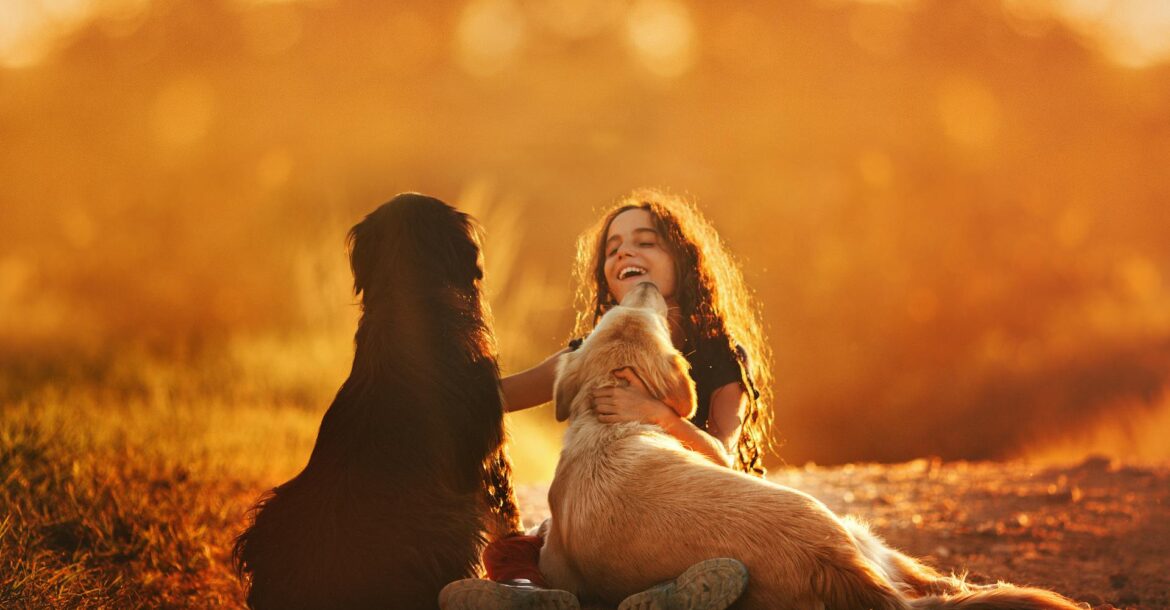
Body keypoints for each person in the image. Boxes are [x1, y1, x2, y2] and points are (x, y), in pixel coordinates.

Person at [440, 189, 773, 610]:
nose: (623, 252)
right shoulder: (590, 353)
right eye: (612, 248)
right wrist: (424, 367)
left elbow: (726, 463)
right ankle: (529, 595)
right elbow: (496, 397)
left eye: (645, 242)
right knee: (533, 541)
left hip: (692, 519)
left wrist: (657, 414)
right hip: (610, 528)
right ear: (605, 278)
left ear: (684, 262)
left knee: (725, 557)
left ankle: (665, 593)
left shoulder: (721, 357)